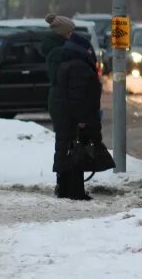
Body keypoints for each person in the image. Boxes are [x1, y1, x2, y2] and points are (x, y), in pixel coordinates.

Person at [42, 13, 102, 200]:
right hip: (69, 109)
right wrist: (83, 118)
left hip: (61, 105)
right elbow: (77, 92)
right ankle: (73, 190)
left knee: (65, 145)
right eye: (71, 32)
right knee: (74, 147)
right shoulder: (71, 57)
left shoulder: (59, 53)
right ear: (64, 34)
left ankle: (64, 186)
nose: (74, 35)